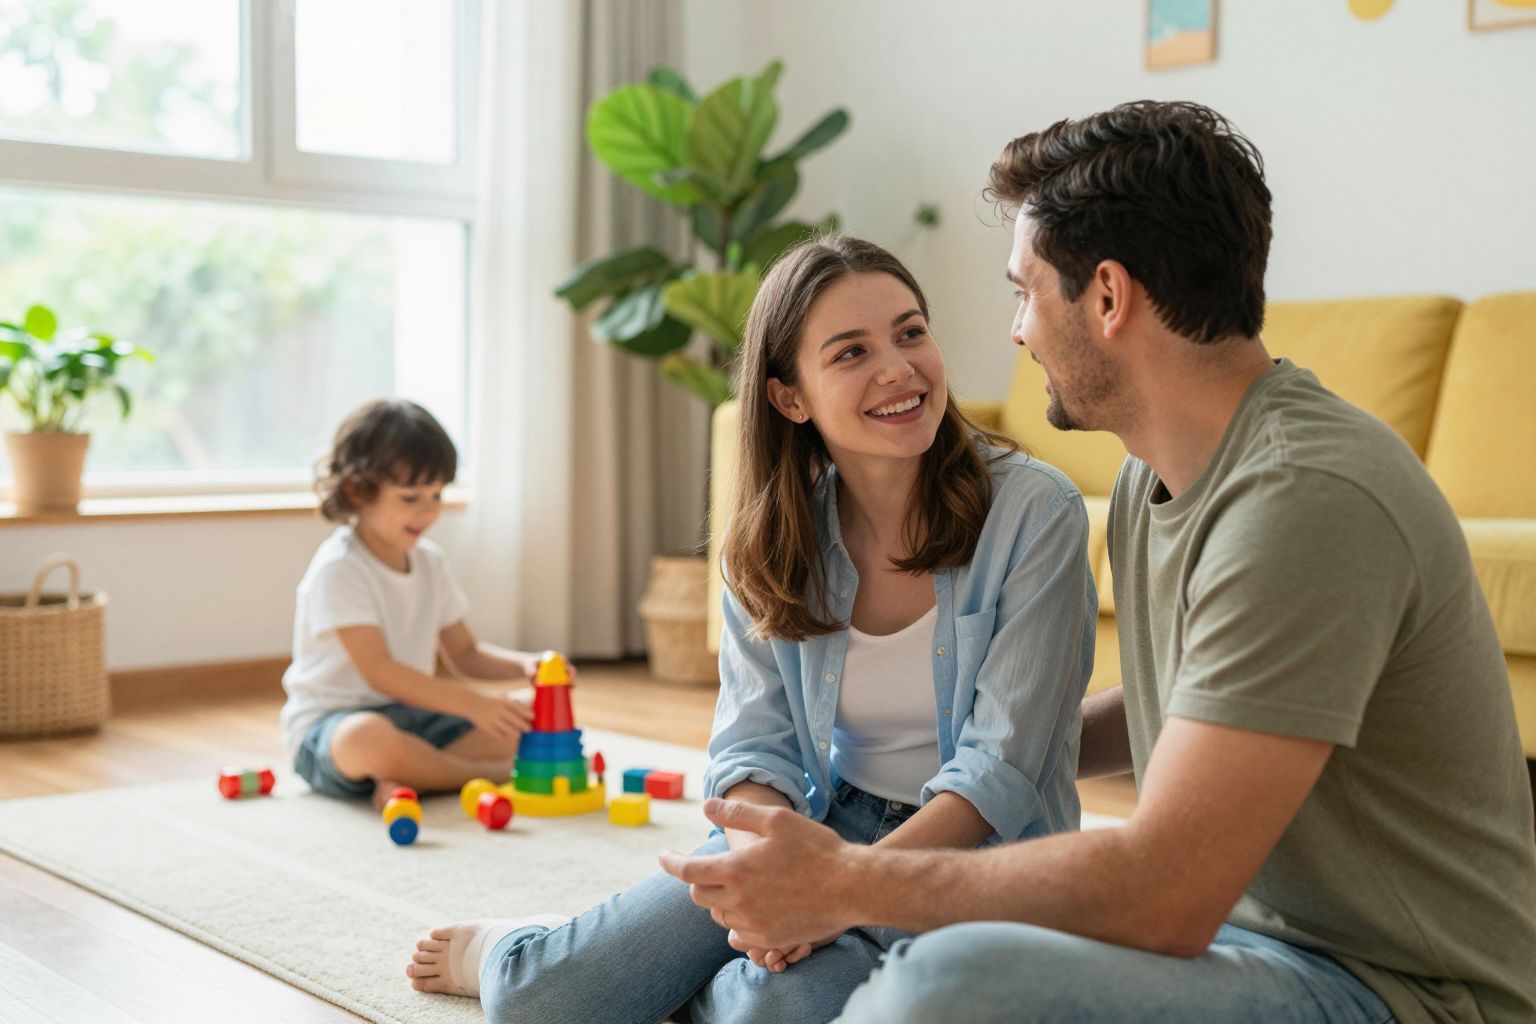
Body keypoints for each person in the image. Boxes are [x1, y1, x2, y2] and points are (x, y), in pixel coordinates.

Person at [660, 101, 1536, 1023]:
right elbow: (1204, 713)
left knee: (942, 982)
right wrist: (985, 746)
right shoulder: (1150, 480)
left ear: (1108, 298)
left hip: (1399, 991)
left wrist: (852, 881)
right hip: (1243, 941)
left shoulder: (1304, 498)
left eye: (1024, 292)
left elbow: (1163, 893)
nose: (1015, 331)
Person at [404, 235, 1097, 1023]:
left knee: (774, 1012)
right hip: (821, 822)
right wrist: (770, 872)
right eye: (851, 352)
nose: (899, 368)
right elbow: (752, 746)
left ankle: (687, 987)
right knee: (538, 1003)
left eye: (911, 332)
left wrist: (836, 892)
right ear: (789, 397)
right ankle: (521, 946)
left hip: (974, 864)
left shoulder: (1036, 514)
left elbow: (999, 771)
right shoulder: (770, 542)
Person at [281, 398, 545, 809]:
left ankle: (414, 775)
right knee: (367, 739)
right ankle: (479, 774)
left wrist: (528, 665)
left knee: (529, 712)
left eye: (436, 494)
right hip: (333, 728)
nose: (427, 510)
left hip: (415, 717)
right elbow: (380, 672)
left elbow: (466, 654)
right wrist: (470, 704)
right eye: (410, 497)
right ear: (357, 490)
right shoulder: (340, 569)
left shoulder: (430, 562)